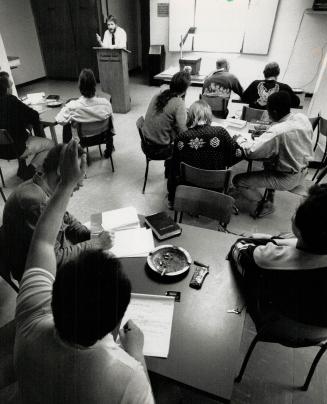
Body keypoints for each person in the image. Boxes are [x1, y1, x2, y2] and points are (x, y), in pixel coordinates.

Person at [13, 140, 154, 404]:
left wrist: (66, 184)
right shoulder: (126, 378)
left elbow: (42, 242)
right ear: (114, 328)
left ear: (53, 294)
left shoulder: (30, 314)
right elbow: (47, 245)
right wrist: (137, 355)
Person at [1, 144, 112, 282]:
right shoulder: (35, 201)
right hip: (36, 274)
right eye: (79, 174)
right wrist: (95, 244)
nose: (82, 183)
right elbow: (54, 259)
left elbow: (66, 218)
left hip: (47, 256)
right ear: (61, 170)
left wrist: (89, 235)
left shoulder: (42, 183)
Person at [228, 184, 327, 327]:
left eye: (297, 209)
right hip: (319, 333)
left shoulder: (269, 258)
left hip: (276, 323)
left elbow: (238, 248)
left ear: (299, 229)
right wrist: (272, 239)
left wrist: (263, 239)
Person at [233, 91, 313, 217]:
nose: (267, 113)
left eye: (268, 110)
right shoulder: (302, 118)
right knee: (269, 162)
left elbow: (251, 153)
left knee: (238, 180)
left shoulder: (277, 131)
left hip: (286, 178)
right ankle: (270, 194)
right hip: (304, 171)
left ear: (274, 112)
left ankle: (264, 204)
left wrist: (239, 139)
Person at [167, 99, 244, 206]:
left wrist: (172, 195)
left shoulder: (181, 138)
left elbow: (175, 166)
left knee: (171, 162)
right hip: (216, 185)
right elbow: (238, 153)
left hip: (190, 186)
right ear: (208, 115)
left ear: (189, 116)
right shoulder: (221, 132)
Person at [0, 71, 54, 180]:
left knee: (19, 135)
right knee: (50, 144)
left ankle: (22, 167)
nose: (11, 88)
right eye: (10, 86)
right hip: (16, 148)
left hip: (1, 150)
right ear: (6, 89)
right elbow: (33, 115)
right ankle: (29, 172)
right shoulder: (11, 100)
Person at [56, 68, 114, 157]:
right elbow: (111, 125)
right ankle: (109, 149)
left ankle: (68, 154)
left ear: (79, 86)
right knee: (109, 120)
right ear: (94, 85)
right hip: (102, 137)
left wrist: (67, 109)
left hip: (83, 140)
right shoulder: (106, 103)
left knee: (67, 121)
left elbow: (59, 120)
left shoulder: (72, 106)